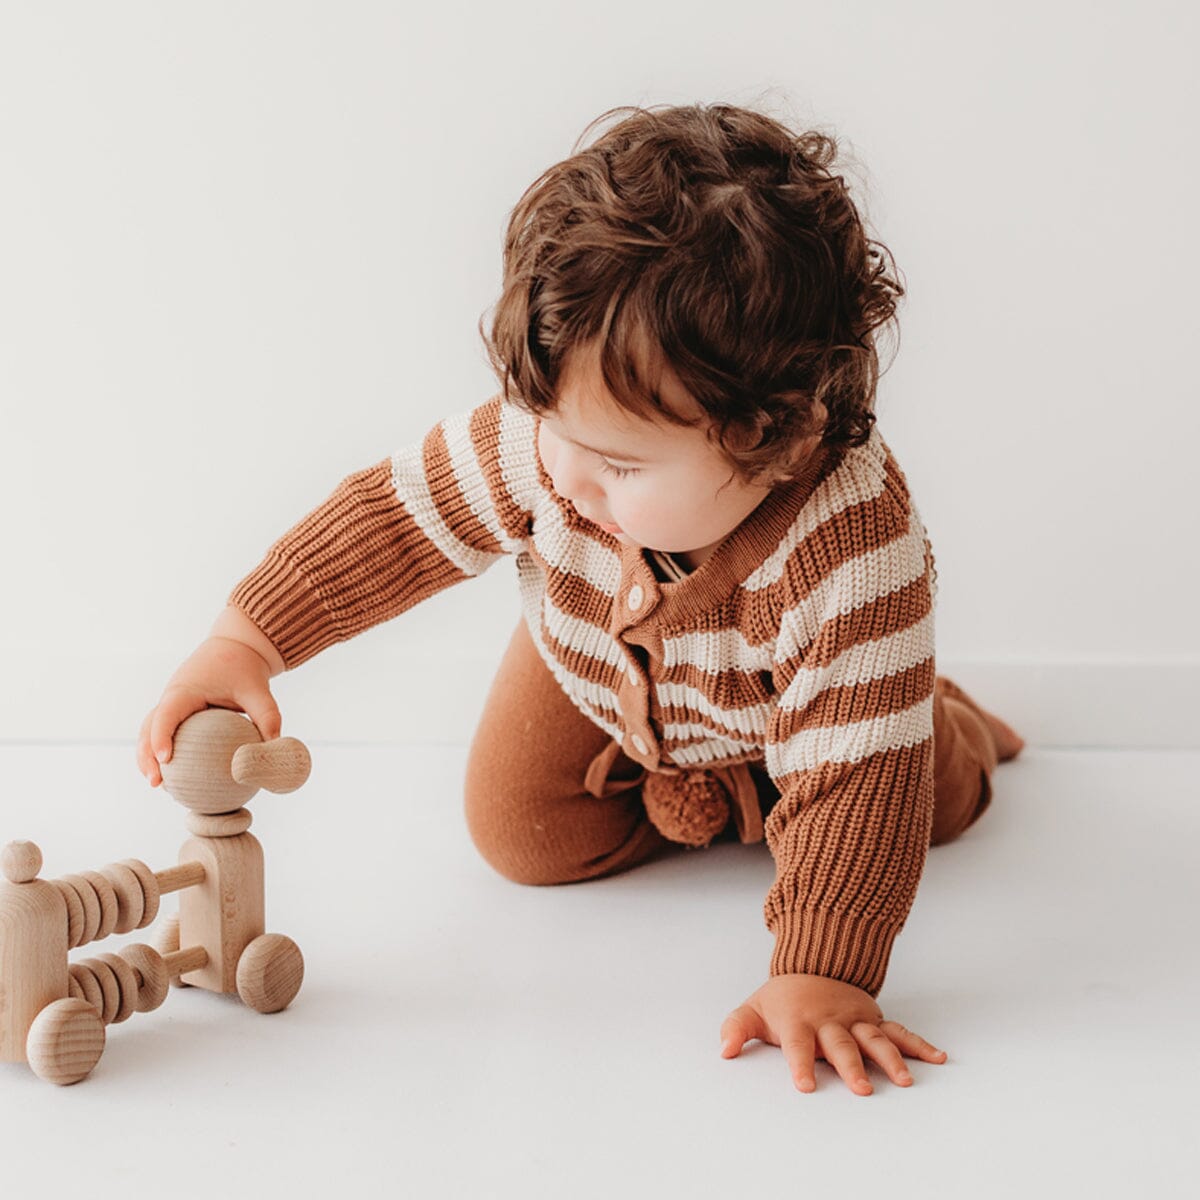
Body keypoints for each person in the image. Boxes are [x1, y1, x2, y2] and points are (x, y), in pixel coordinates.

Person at [136, 102, 1024, 1096]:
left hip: (831, 711)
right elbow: (394, 520)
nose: (563, 474)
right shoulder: (550, 440)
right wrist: (246, 638)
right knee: (518, 834)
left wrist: (820, 970)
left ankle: (937, 730)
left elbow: (861, 777)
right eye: (544, 422)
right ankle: (735, 792)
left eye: (616, 462)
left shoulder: (853, 551)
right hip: (595, 664)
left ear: (784, 437)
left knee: (905, 803)